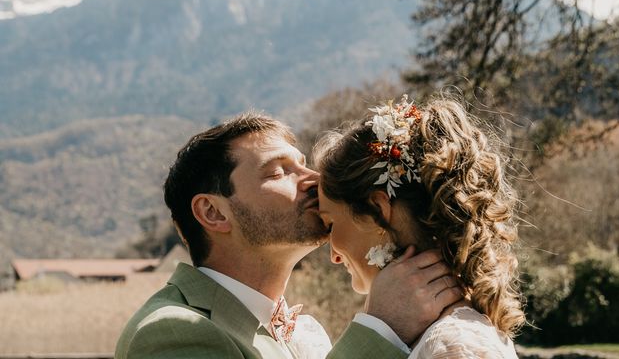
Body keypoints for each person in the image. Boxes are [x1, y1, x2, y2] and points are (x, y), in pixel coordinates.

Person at [115, 113, 462, 359]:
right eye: (279, 171)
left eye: (304, 164)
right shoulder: (170, 333)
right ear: (213, 212)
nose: (314, 179)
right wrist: (382, 329)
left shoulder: (304, 332)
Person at [314, 96, 525, 358]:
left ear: (377, 210)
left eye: (331, 223)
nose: (333, 255)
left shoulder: (452, 348)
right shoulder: (437, 336)